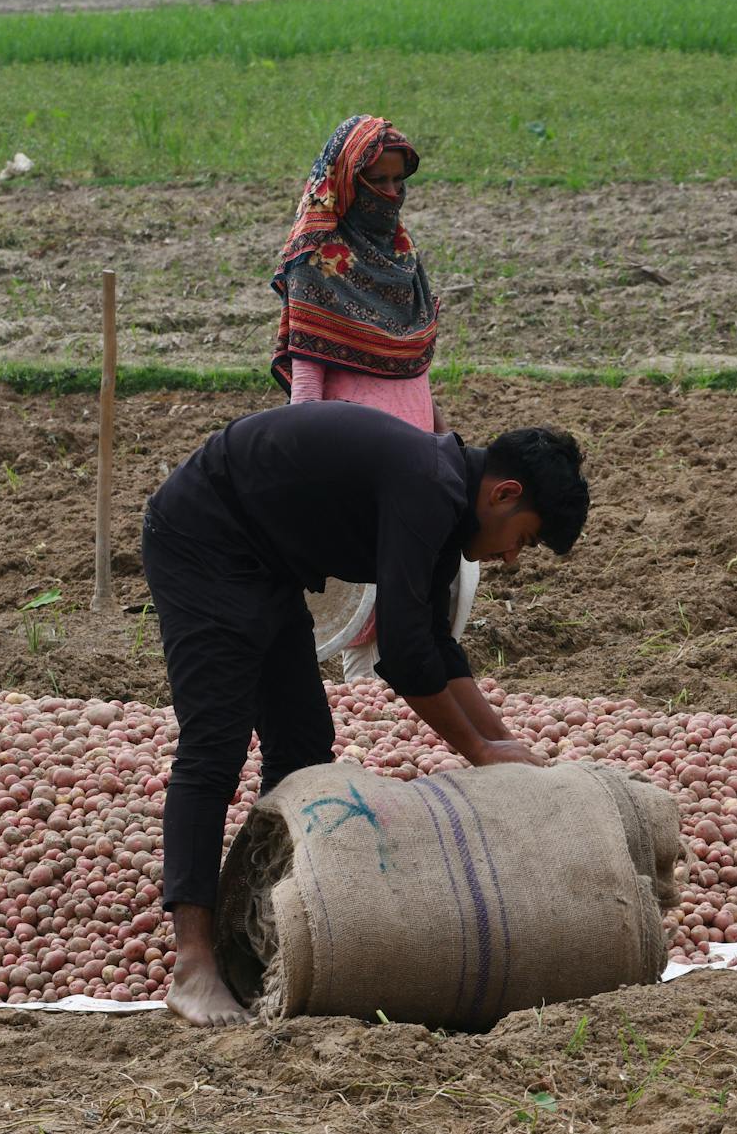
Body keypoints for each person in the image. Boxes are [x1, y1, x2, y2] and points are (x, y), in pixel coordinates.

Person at [141, 402, 589, 1026]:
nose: (512, 557)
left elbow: (435, 637)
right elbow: (403, 656)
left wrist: (501, 742)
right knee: (215, 744)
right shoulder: (429, 487)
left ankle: (263, 924)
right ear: (504, 493)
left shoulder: (446, 492)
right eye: (525, 538)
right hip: (203, 540)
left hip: (265, 562)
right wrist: (480, 752)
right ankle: (192, 962)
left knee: (302, 740)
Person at [272, 113, 454, 681]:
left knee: (420, 602)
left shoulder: (401, 257)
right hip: (358, 465)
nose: (393, 195)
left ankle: (399, 726)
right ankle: (365, 728)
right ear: (348, 181)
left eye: (401, 182)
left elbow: (414, 370)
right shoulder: (320, 258)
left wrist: (442, 437)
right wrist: (300, 475)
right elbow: (308, 381)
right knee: (370, 602)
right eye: (380, 182)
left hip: (416, 457)